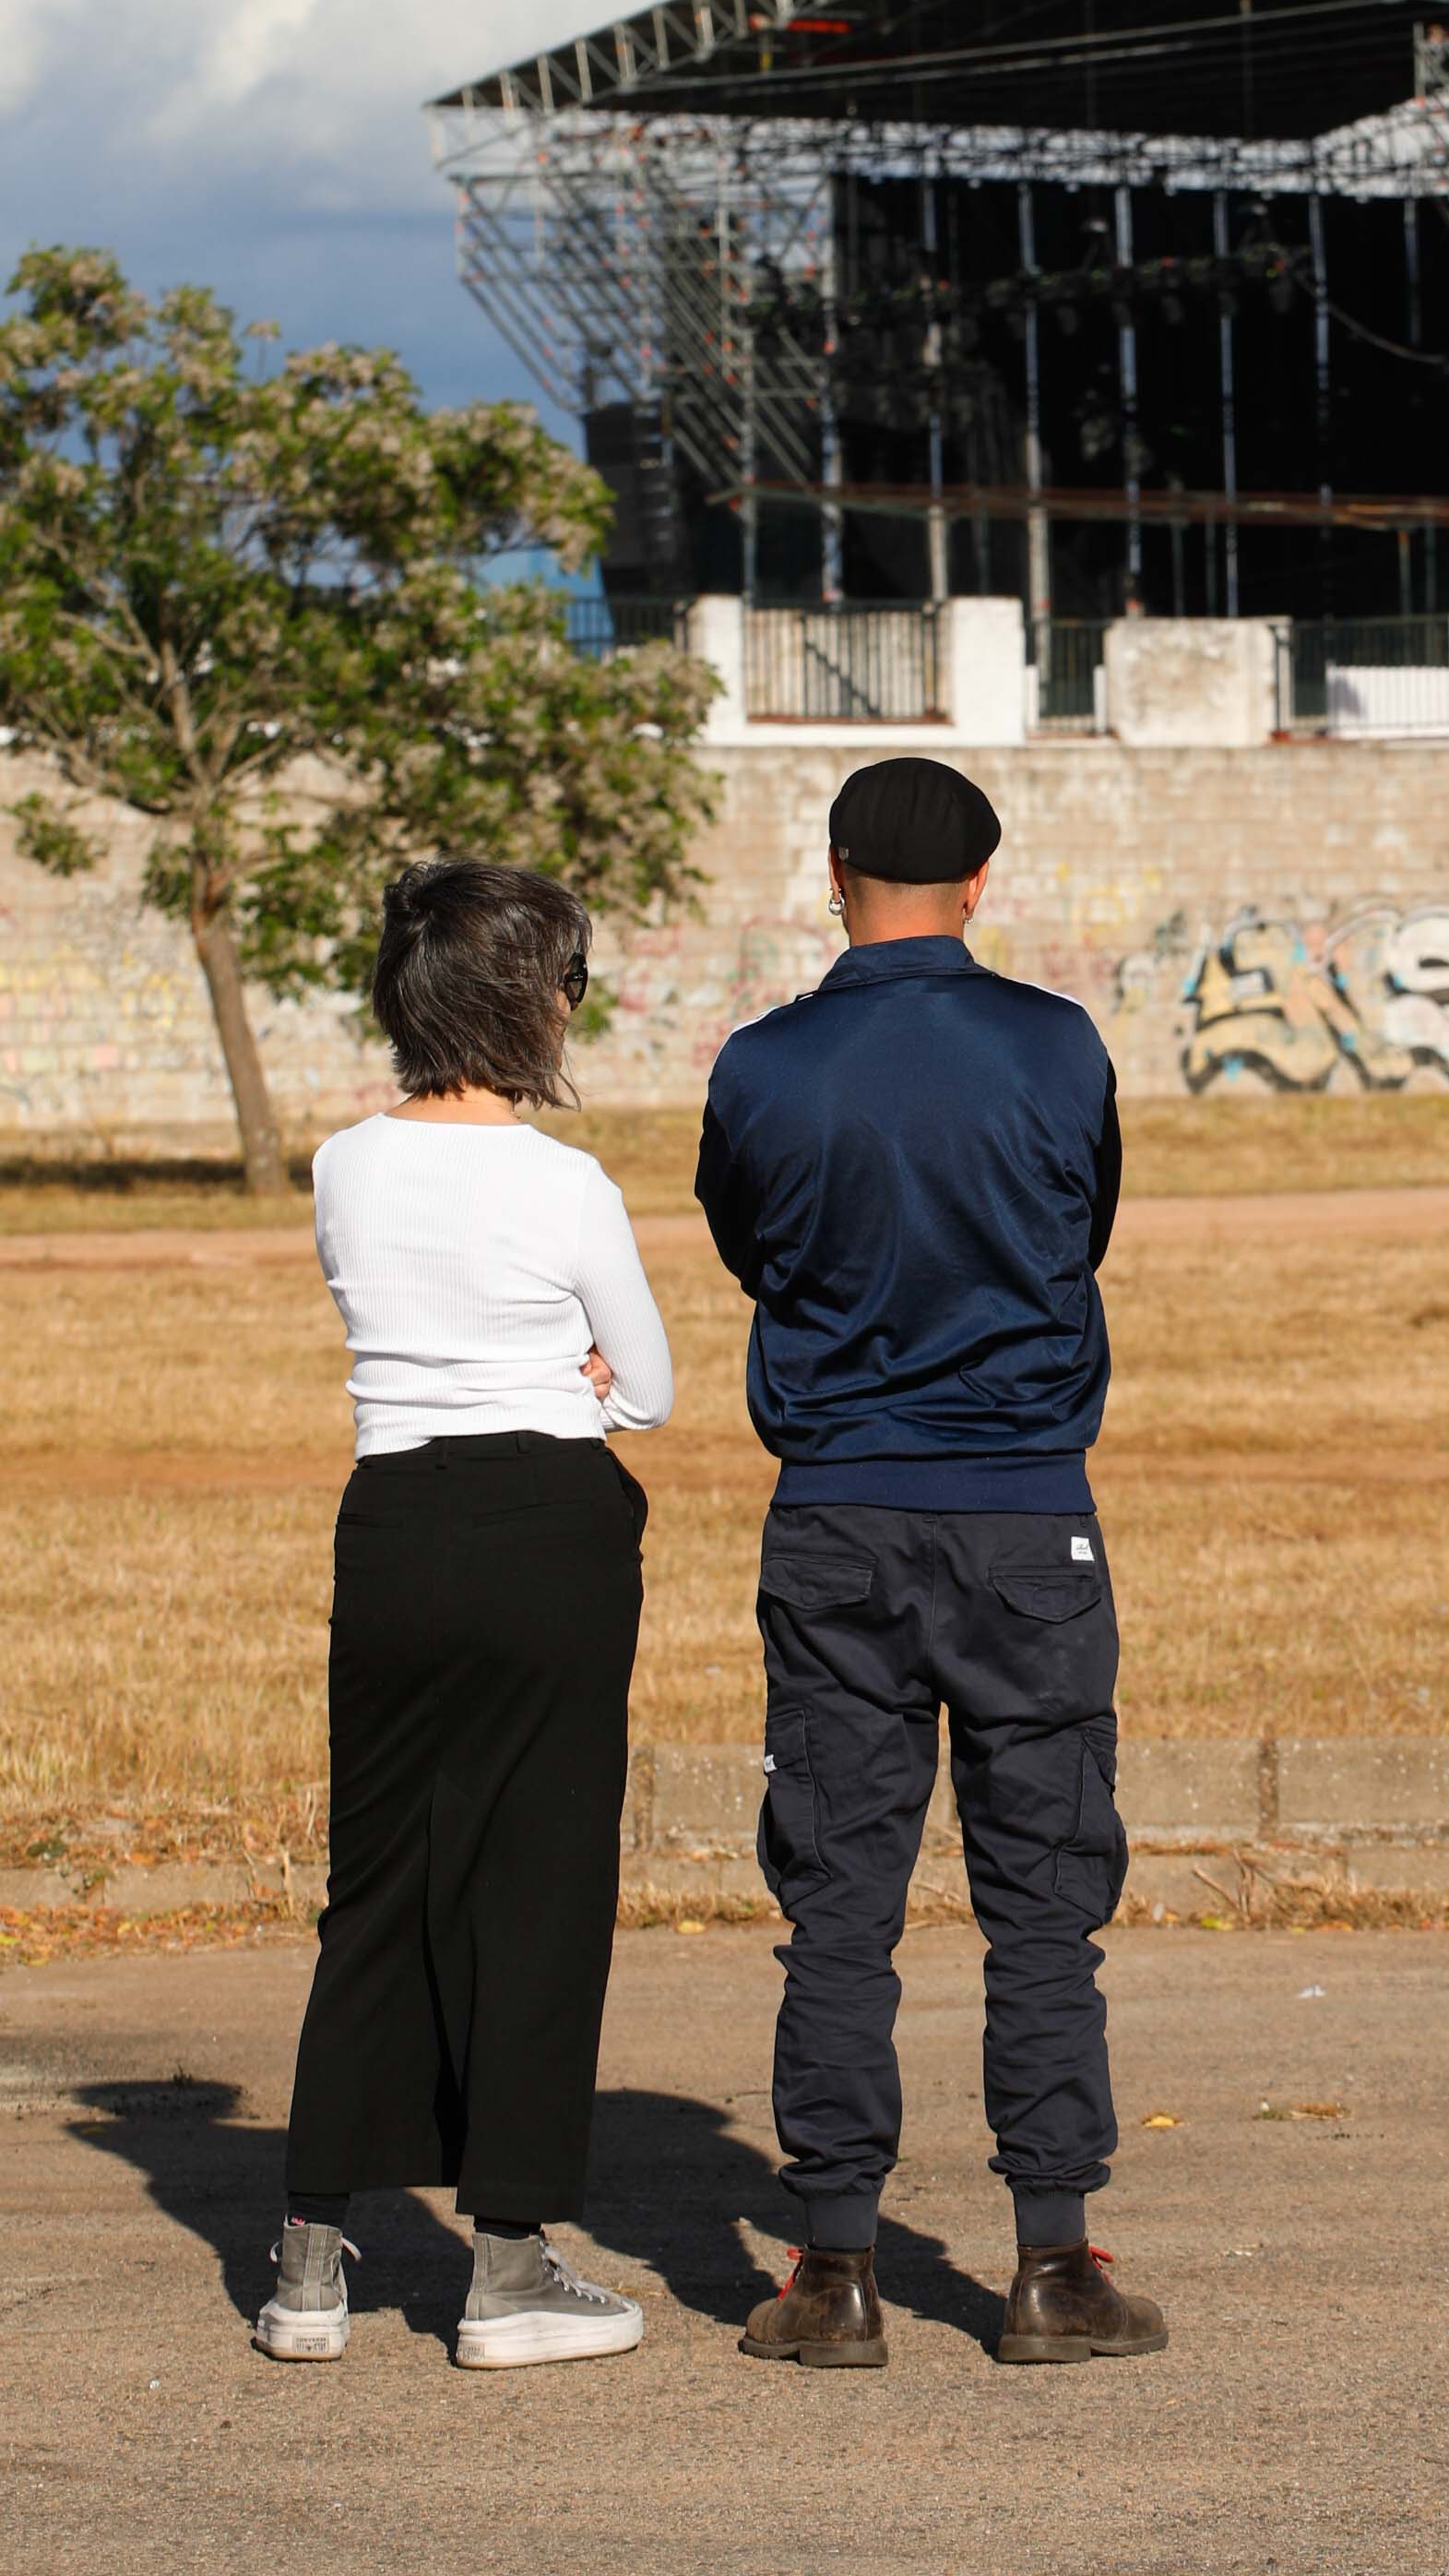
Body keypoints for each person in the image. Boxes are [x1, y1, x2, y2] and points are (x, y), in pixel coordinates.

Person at [698, 754, 1165, 2373]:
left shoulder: (763, 1067)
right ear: (982, 884)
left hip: (837, 1513)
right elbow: (1082, 1229)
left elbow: (749, 1246)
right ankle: (1052, 2260)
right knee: (1042, 1901)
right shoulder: (1055, 1046)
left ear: (832, 874)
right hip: (1027, 1511)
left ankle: (830, 2272)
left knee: (837, 1905)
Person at [255, 862, 672, 2372]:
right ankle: (506, 2266)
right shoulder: (565, 1184)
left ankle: (310, 2259)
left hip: (397, 1528)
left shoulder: (342, 1165)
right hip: (546, 1531)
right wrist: (571, 1377)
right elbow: (650, 1384)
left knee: (373, 1881)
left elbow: (367, 1303)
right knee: (536, 1887)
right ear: (529, 1002)